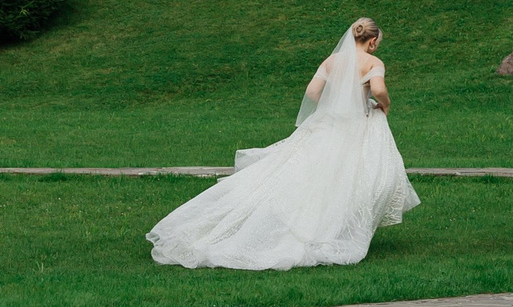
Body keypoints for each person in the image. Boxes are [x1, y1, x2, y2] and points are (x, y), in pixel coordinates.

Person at [148, 19, 420, 270]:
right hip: (354, 128)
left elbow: (313, 92)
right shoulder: (373, 62)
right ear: (372, 42)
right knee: (349, 178)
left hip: (325, 126)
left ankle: (296, 225)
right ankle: (328, 230)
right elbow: (379, 89)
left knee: (301, 176)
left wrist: (335, 100)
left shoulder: (331, 61)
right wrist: (383, 105)